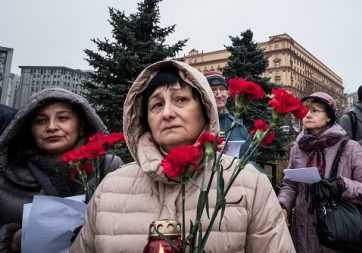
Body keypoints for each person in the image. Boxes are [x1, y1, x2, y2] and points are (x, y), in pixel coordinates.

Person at [70, 60, 295, 252]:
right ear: (145, 118)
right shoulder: (110, 188)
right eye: (157, 105)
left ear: (205, 108)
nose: (167, 113)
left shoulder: (250, 184)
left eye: (181, 100)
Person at [0, 87, 123, 252]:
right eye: (41, 120)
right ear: (29, 129)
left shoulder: (108, 167)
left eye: (62, 118)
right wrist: (12, 239)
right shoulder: (7, 173)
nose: (51, 127)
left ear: (81, 126)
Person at [278, 92, 362, 253]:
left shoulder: (350, 148)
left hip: (338, 234)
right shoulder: (298, 148)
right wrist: (283, 205)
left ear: (329, 117)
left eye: (315, 111)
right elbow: (291, 185)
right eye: (305, 110)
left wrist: (342, 186)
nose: (307, 115)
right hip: (302, 235)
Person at [203, 71, 249, 141]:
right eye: (213, 90)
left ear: (227, 94)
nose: (219, 95)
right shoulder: (197, 125)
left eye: (222, 89)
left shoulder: (238, 126)